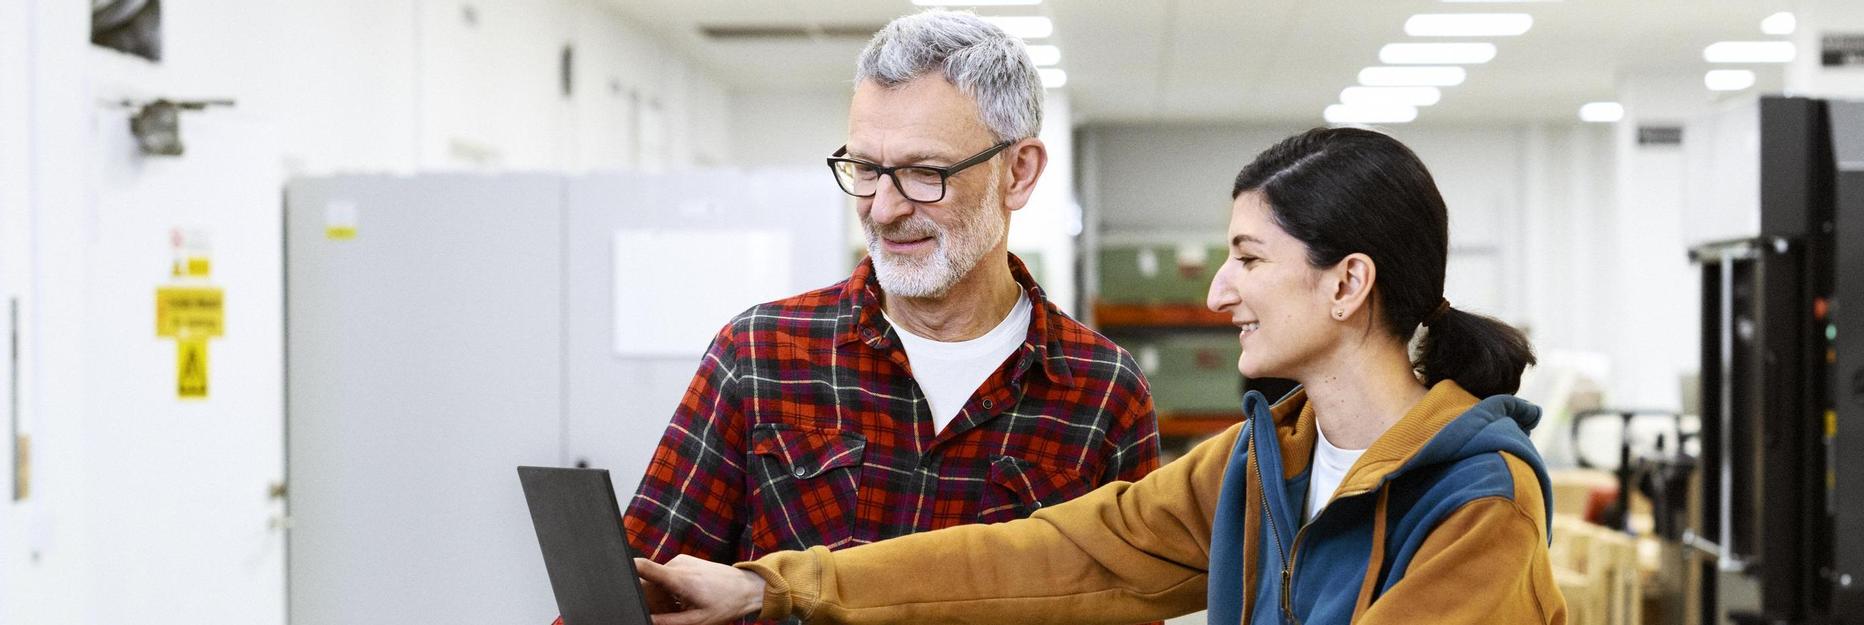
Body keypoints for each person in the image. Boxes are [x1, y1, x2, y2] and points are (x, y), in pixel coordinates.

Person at [630, 127, 1567, 625]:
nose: (1217, 290)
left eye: (1248, 258)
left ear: (1348, 282)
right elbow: (1045, 555)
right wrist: (774, 587)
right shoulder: (1258, 465)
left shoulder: (1479, 502)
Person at [593, 10, 1162, 625]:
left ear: (1018, 173)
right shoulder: (761, 355)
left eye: (925, 173)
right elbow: (636, 588)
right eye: (866, 169)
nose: (884, 209)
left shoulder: (1102, 391)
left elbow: (1130, 604)